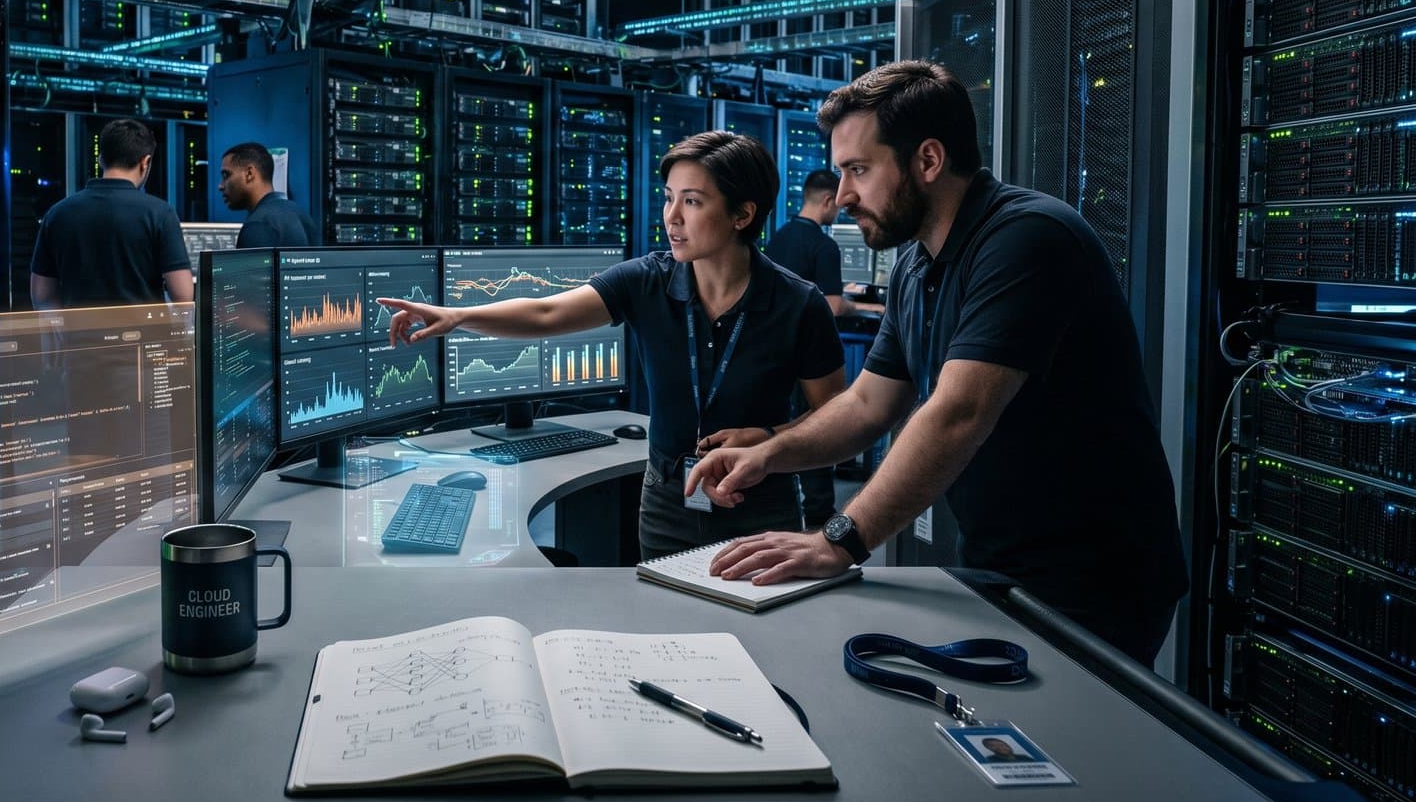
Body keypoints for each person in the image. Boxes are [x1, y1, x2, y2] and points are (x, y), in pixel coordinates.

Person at [686, 60, 1188, 667]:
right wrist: (770, 449)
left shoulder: (1027, 239)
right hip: (1001, 564)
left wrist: (838, 540)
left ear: (927, 161)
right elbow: (869, 404)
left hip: (1096, 579)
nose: (842, 195)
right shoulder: (917, 267)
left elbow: (958, 412)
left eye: (859, 170)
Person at [380, 131, 846, 559]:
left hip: (760, 507)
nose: (672, 216)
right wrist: (457, 316)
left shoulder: (798, 305)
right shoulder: (645, 281)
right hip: (668, 501)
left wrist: (769, 439)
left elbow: (835, 421)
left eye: (692, 201)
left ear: (742, 214)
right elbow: (548, 313)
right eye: (668, 199)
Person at [29, 118, 191, 308]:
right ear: (145, 162)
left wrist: (66, 333)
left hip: (79, 336)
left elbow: (42, 296)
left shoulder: (57, 214)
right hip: (145, 335)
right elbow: (183, 296)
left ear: (100, 158)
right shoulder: (161, 213)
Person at [765, 168, 855, 317]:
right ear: (828, 201)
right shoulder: (825, 246)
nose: (838, 212)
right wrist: (865, 307)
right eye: (838, 205)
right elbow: (834, 307)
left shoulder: (777, 238)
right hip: (803, 336)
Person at [219, 141, 320, 248]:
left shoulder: (258, 225)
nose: (220, 186)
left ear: (249, 174)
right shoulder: (302, 215)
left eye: (226, 175)